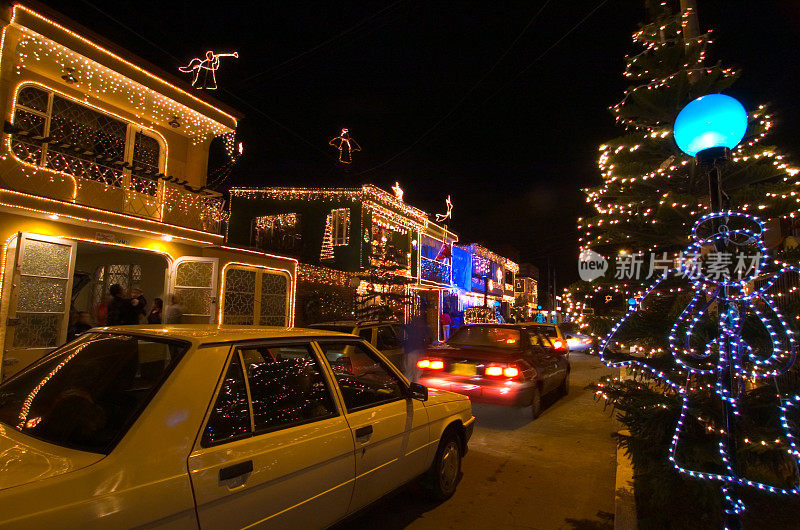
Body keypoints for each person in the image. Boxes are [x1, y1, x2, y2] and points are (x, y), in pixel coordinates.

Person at [403, 316, 430, 382]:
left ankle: (408, 385)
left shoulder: (409, 329)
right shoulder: (421, 330)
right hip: (416, 352)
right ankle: (412, 385)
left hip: (410, 351)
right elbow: (426, 340)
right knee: (416, 372)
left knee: (410, 371)